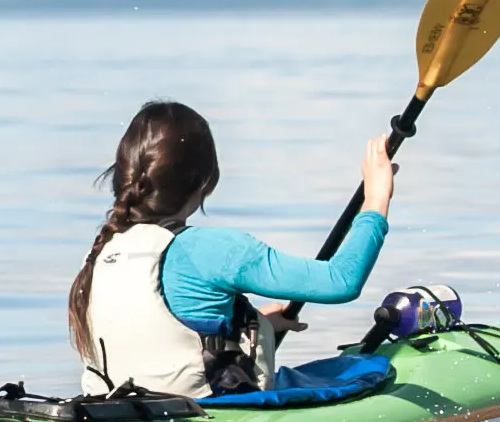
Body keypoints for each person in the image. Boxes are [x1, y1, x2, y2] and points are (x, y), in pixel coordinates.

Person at [65, 101, 396, 397]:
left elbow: (148, 334)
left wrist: (252, 327)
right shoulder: (213, 250)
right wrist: (376, 199)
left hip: (108, 412)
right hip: (202, 416)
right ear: (207, 181)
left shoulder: (102, 252)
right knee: (371, 370)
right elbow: (341, 280)